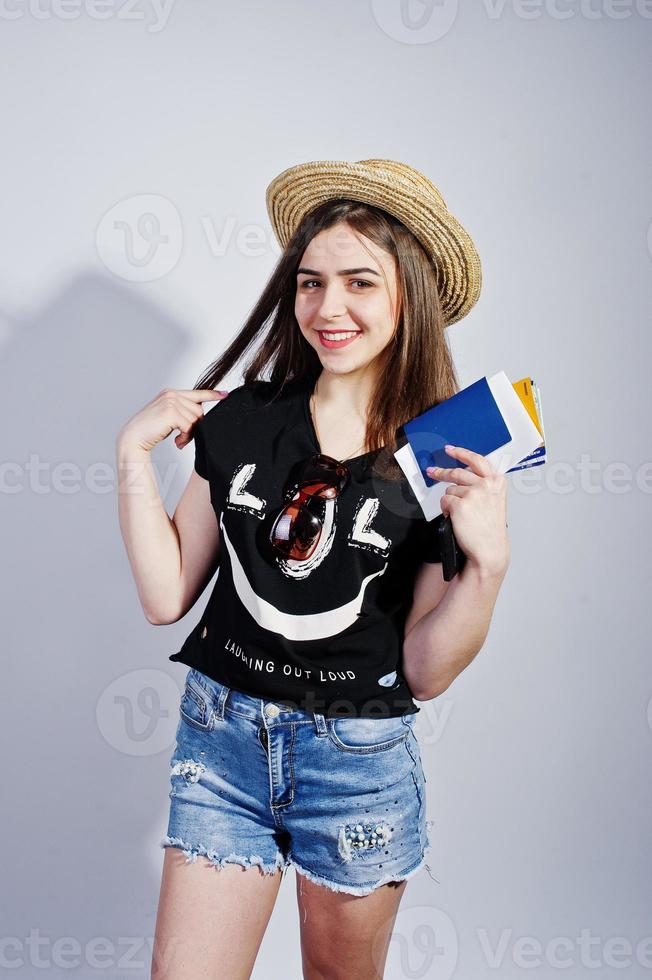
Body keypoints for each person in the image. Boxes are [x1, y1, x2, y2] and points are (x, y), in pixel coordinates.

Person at [116, 159, 510, 979]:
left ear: (410, 297)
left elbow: (426, 671)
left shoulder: (440, 456)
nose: (328, 309)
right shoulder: (246, 419)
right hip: (219, 746)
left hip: (354, 764)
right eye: (310, 283)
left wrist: (489, 564)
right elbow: (165, 597)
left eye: (359, 283)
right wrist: (129, 454)